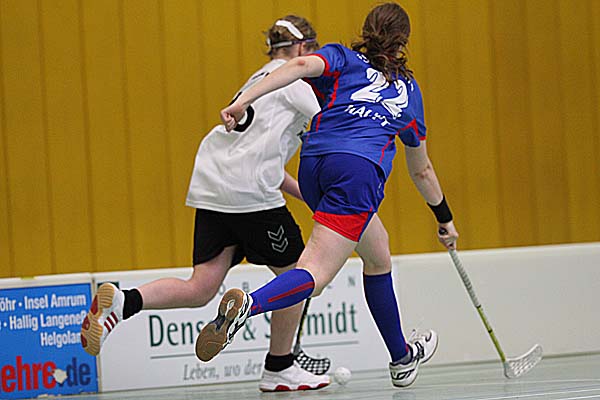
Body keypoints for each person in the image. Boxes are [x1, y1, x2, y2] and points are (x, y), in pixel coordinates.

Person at [196, 2, 460, 388]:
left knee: (378, 253)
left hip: (315, 166)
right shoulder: (408, 92)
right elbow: (421, 170)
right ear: (403, 42)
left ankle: (401, 357)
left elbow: (299, 66)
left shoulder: (342, 57)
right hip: (356, 173)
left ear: (367, 30)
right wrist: (444, 217)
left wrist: (243, 100)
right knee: (315, 274)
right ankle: (248, 307)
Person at [79, 15, 331, 392]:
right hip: (250, 193)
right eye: (310, 51)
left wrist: (309, 198)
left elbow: (268, 166)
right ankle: (279, 366)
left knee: (201, 287)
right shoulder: (295, 81)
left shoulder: (256, 81)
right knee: (298, 279)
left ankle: (125, 301)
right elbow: (332, 125)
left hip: (215, 186)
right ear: (300, 50)